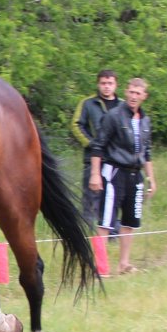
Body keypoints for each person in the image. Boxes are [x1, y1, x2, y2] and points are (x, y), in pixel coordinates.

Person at [89, 77, 158, 274]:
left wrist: (151, 178)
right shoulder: (113, 116)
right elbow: (98, 145)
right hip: (114, 172)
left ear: (144, 96)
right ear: (126, 92)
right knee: (105, 221)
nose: (134, 96)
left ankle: (124, 264)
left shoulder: (145, 120)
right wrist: (95, 174)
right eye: (131, 92)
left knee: (130, 221)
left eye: (138, 93)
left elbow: (147, 152)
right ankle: (101, 267)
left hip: (135, 175)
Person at [71, 69, 120, 228]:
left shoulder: (123, 105)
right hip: (92, 161)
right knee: (91, 200)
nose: (107, 87)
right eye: (103, 83)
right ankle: (88, 233)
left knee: (113, 200)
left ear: (116, 85)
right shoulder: (88, 103)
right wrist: (92, 144)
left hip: (117, 161)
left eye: (110, 83)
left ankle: (112, 234)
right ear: (98, 84)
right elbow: (76, 125)